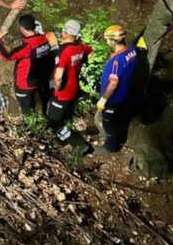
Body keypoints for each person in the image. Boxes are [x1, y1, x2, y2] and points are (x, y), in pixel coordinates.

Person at [0, 14, 57, 117]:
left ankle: (29, 130)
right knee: (38, 108)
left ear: (22, 28)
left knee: (27, 112)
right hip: (39, 82)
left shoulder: (28, 46)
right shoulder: (44, 40)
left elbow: (7, 56)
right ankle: (41, 123)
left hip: (25, 85)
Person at [46, 19, 93, 152]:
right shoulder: (80, 46)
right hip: (74, 89)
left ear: (65, 32)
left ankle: (78, 143)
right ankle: (60, 140)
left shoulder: (64, 51)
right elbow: (91, 51)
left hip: (63, 92)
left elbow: (59, 75)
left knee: (53, 121)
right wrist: (79, 65)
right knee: (64, 116)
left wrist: (56, 88)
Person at [95, 24, 139, 154]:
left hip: (114, 99)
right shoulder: (131, 52)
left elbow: (113, 83)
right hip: (126, 95)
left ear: (113, 40)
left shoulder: (116, 61)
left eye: (108, 40)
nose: (107, 42)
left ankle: (110, 147)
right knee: (120, 121)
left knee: (109, 123)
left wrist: (103, 99)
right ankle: (119, 139)